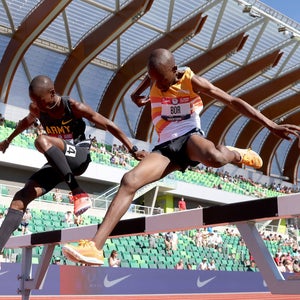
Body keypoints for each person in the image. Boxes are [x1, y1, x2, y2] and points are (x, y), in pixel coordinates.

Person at [62, 48, 300, 265]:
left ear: (175, 71)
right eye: (154, 81)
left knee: (215, 158)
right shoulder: (155, 77)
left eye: (163, 81)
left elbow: (232, 101)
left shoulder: (190, 80)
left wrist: (270, 124)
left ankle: (238, 154)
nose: (160, 87)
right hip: (165, 145)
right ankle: (95, 247)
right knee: (129, 180)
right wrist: (137, 93)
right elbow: (151, 76)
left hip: (189, 136)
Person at [0, 75, 145, 254]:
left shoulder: (73, 107)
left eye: (41, 100)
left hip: (79, 155)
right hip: (58, 161)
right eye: (34, 101)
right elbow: (25, 123)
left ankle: (78, 192)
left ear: (52, 93)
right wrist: (8, 139)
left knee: (42, 141)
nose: (38, 105)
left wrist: (132, 149)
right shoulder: (37, 108)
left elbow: (107, 124)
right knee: (20, 198)